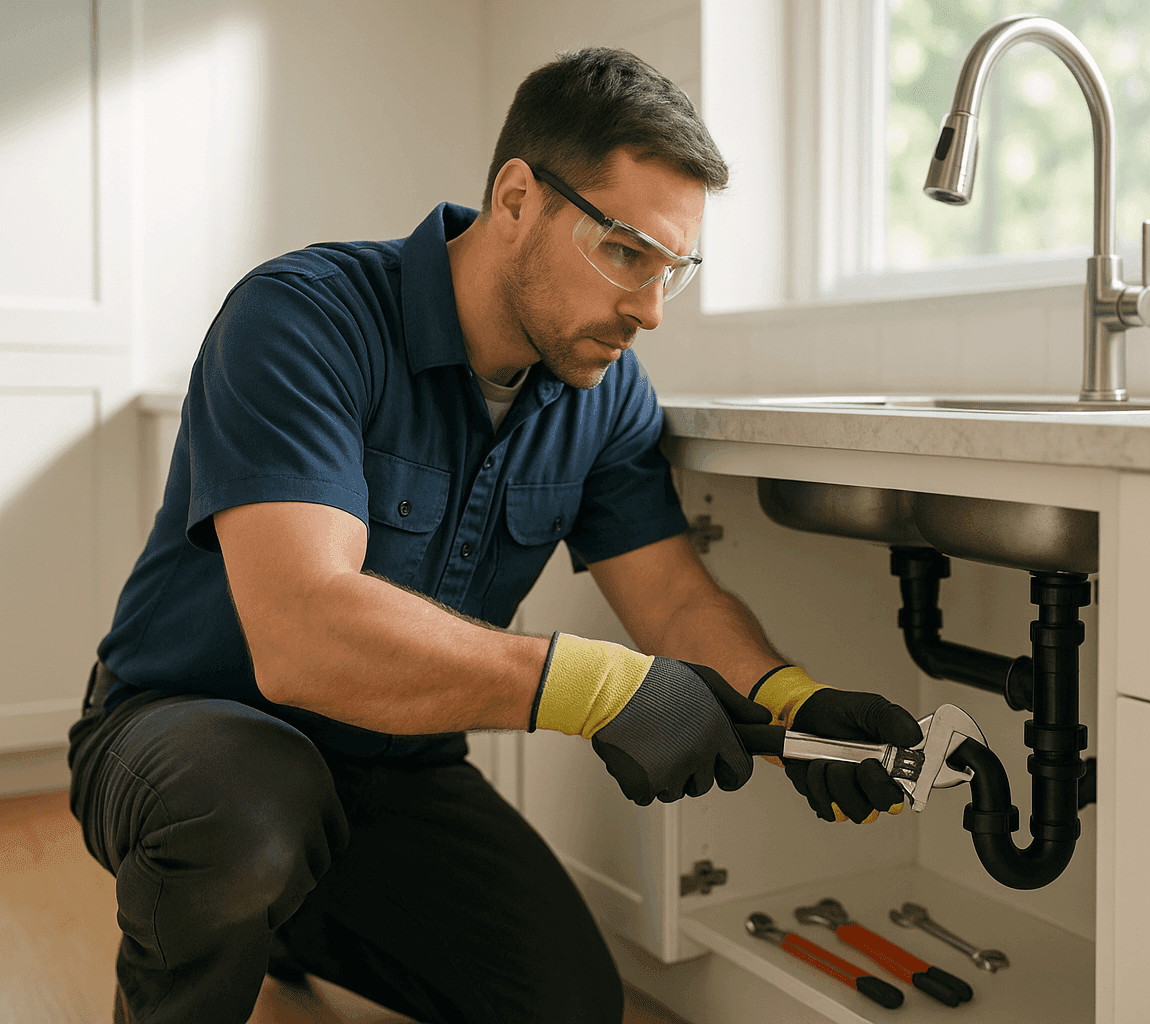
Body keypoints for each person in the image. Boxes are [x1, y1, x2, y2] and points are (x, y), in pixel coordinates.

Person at [68, 46, 922, 1024]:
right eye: (625, 252)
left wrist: (792, 704)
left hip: (394, 767)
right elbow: (302, 632)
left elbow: (675, 598)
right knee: (254, 812)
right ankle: (241, 899)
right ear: (517, 198)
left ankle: (288, 911)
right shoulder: (303, 320)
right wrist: (599, 692)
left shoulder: (605, 399)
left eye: (672, 273)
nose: (648, 308)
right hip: (186, 737)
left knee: (570, 1006)